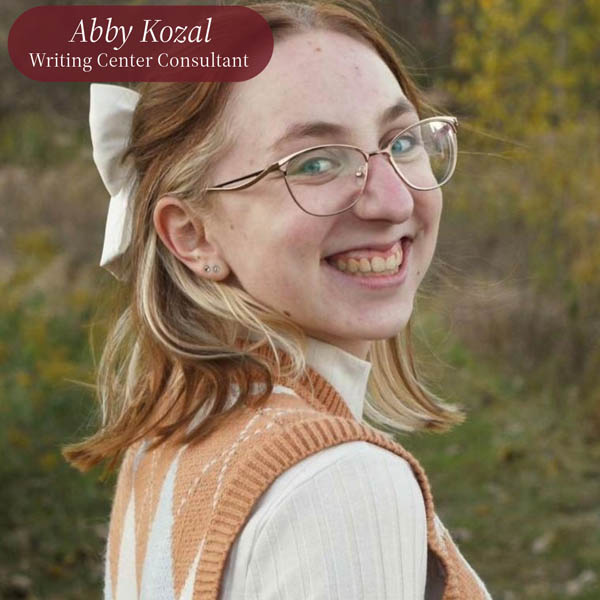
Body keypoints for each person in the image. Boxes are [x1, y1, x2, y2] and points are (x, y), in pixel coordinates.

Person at [64, 1, 494, 598]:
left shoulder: (172, 431)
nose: (393, 202)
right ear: (193, 234)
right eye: (315, 163)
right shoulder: (341, 482)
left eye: (400, 142)